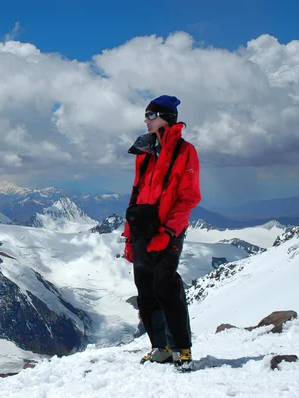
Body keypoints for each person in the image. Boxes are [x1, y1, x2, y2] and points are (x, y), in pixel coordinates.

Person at [121, 95, 201, 370]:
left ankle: (181, 349)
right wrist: (129, 236)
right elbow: (137, 194)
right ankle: (160, 348)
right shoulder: (144, 151)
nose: (145, 120)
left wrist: (169, 231)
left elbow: (188, 197)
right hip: (142, 231)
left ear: (166, 118)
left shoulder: (184, 150)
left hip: (168, 231)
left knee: (166, 287)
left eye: (150, 115)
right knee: (145, 291)